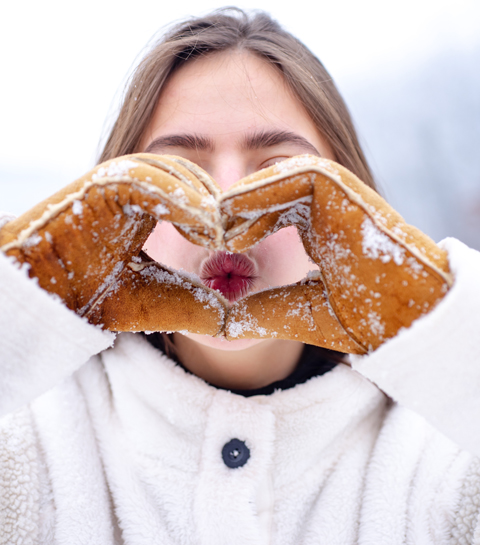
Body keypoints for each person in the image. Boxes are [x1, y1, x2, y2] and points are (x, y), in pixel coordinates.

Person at [1, 7, 479, 544]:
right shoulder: (26, 434)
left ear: (352, 204)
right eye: (178, 171)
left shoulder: (446, 450)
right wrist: (17, 311)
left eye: (278, 172)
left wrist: (446, 333)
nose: (226, 212)